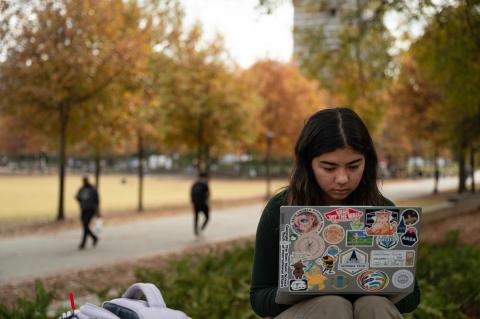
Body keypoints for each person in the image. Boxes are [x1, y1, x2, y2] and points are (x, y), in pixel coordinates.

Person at [250, 108, 420, 318]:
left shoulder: (383, 212)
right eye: (329, 168)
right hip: (311, 312)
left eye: (353, 166)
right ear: (308, 164)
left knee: (373, 305)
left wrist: (372, 286)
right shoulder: (281, 207)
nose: (342, 178)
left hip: (369, 309)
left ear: (367, 162)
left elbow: (412, 297)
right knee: (332, 306)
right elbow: (258, 299)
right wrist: (299, 289)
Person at [76, 176, 99, 250]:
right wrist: (78, 198)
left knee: (86, 225)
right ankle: (94, 238)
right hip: (83, 209)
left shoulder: (92, 189)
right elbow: (79, 198)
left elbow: (97, 200)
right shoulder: (81, 189)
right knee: (85, 226)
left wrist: (97, 210)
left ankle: (83, 243)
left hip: (90, 209)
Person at [190, 172, 210, 236]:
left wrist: (192, 201)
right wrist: (207, 202)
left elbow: (191, 193)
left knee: (196, 217)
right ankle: (201, 228)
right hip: (203, 202)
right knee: (207, 217)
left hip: (195, 202)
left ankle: (195, 230)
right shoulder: (205, 184)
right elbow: (208, 194)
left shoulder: (194, 184)